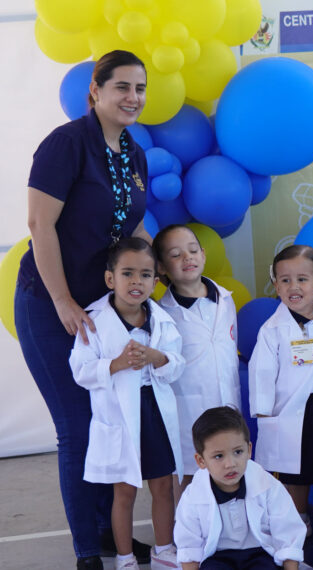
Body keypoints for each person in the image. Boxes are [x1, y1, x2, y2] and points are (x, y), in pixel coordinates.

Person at [18, 49, 152, 568]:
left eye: (140, 89)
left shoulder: (133, 153)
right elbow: (39, 226)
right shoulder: (66, 144)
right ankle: (86, 552)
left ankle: (106, 533)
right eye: (122, 87)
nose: (133, 98)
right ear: (95, 91)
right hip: (50, 307)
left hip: (103, 310)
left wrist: (161, 274)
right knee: (77, 427)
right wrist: (63, 301)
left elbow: (133, 229)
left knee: (107, 422)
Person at [69, 238, 185, 569]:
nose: (137, 282)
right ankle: (125, 557)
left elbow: (177, 364)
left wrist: (157, 357)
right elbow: (81, 370)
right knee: (125, 491)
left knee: (163, 485)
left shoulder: (162, 319)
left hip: (155, 412)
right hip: (120, 417)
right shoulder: (93, 321)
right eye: (128, 273)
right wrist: (116, 363)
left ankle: (164, 550)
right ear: (111, 279)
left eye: (146, 274)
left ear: (156, 280)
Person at [249, 245, 313, 545]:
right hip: (289, 411)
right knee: (292, 472)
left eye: (302, 279)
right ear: (276, 284)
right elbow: (262, 372)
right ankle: (296, 522)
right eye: (285, 280)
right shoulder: (272, 330)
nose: (293, 287)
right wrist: (265, 412)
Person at [153, 224, 240, 490]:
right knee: (192, 474)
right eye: (176, 254)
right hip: (189, 410)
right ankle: (192, 529)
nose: (187, 258)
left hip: (228, 402)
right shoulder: (162, 314)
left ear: (203, 254)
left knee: (232, 469)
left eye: (192, 251)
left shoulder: (226, 301)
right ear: (162, 267)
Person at [174, 406, 306, 570]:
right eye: (218, 456)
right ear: (201, 461)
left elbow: (288, 532)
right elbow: (189, 545)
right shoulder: (193, 496)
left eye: (237, 452)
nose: (230, 464)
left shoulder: (268, 485)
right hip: (217, 557)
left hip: (259, 554)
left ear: (249, 450)